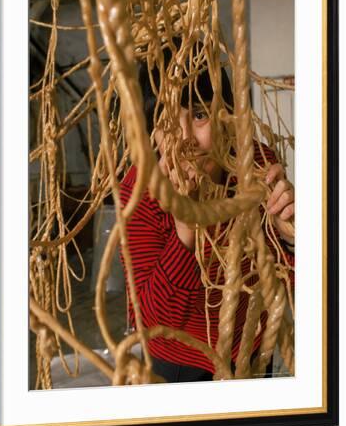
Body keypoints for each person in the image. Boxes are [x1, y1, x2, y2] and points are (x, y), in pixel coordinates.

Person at [119, 44, 295, 383]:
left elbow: (296, 284)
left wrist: (290, 240)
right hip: (180, 364)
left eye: (200, 114)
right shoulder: (138, 193)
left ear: (226, 116)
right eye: (168, 122)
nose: (187, 140)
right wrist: (186, 227)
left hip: (254, 348)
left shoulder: (256, 165)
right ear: (152, 132)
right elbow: (153, 323)